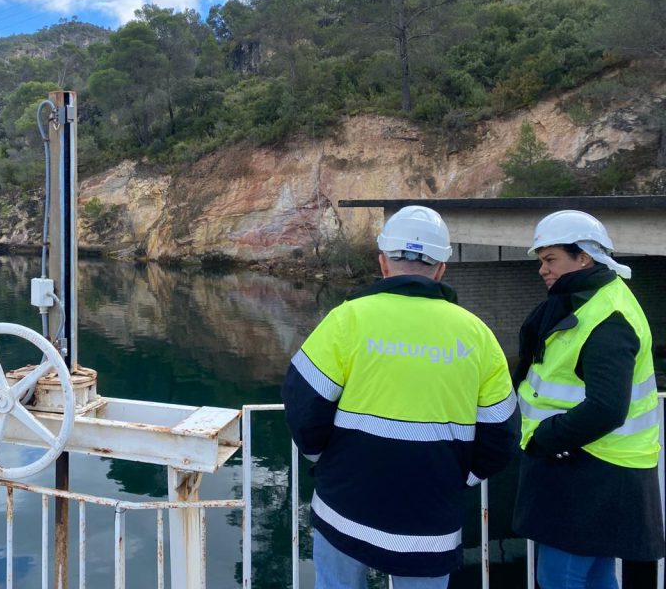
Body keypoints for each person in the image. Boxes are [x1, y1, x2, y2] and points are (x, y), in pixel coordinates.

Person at [282, 205, 520, 588]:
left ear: (383, 262)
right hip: (429, 521)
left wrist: (324, 459)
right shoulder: (479, 336)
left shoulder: (348, 319)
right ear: (441, 268)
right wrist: (462, 476)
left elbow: (302, 407)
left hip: (344, 507)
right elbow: (503, 436)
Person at [513, 210, 664, 589]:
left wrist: (544, 437)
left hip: (592, 468)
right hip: (593, 466)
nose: (542, 270)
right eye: (541, 261)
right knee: (595, 575)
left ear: (584, 257)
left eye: (551, 260)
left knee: (559, 578)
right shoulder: (593, 299)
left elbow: (607, 407)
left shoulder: (608, 317)